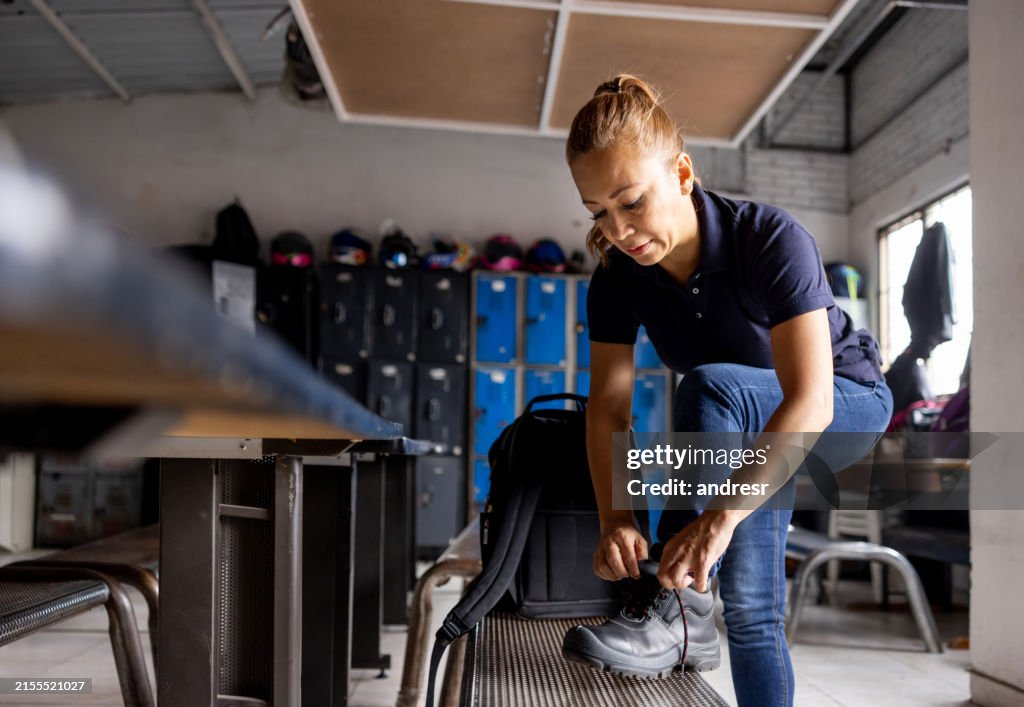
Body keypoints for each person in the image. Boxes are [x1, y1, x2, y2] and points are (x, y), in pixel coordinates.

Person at [558, 74, 893, 707]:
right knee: (750, 606)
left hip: (844, 404)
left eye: (631, 202)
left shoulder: (768, 238)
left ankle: (675, 608)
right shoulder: (618, 276)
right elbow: (608, 406)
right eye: (598, 212)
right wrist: (617, 519)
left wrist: (719, 519)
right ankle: (684, 613)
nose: (620, 229)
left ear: (682, 173)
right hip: (747, 429)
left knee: (711, 387)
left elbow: (811, 401)